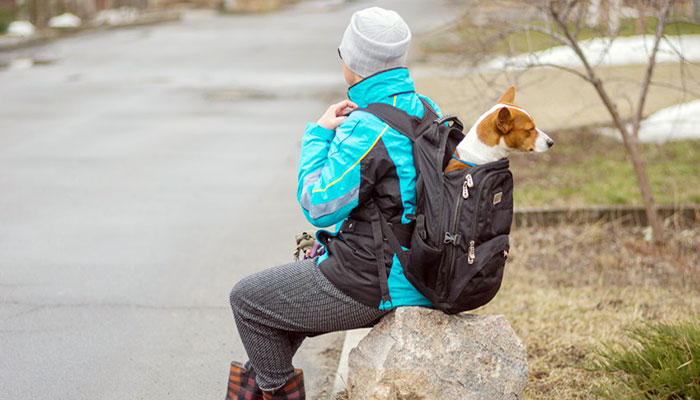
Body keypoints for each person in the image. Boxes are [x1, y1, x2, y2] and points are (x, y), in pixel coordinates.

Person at [226, 7, 443, 400]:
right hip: (420, 269)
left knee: (247, 299)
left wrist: (319, 134)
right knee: (280, 308)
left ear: (355, 62)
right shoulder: (428, 109)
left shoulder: (368, 128)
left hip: (374, 282)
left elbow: (318, 205)